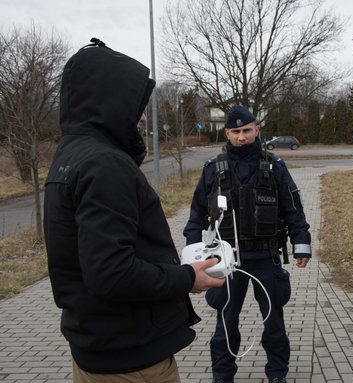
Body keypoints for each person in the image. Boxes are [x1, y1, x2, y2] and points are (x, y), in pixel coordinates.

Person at [43, 38, 224, 383]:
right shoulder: (105, 164)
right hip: (131, 361)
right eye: (135, 104)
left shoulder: (71, 156)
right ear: (109, 103)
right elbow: (112, 272)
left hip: (97, 348)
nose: (141, 116)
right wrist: (188, 278)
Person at [183, 105, 312, 383]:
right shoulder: (212, 170)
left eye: (247, 130)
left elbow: (293, 208)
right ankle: (222, 375)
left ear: (257, 129)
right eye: (236, 132)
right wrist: (194, 257)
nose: (242, 137)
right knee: (225, 325)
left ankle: (277, 374)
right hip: (225, 261)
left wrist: (301, 242)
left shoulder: (274, 167)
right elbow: (196, 215)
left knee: (274, 324)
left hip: (266, 256)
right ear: (227, 132)